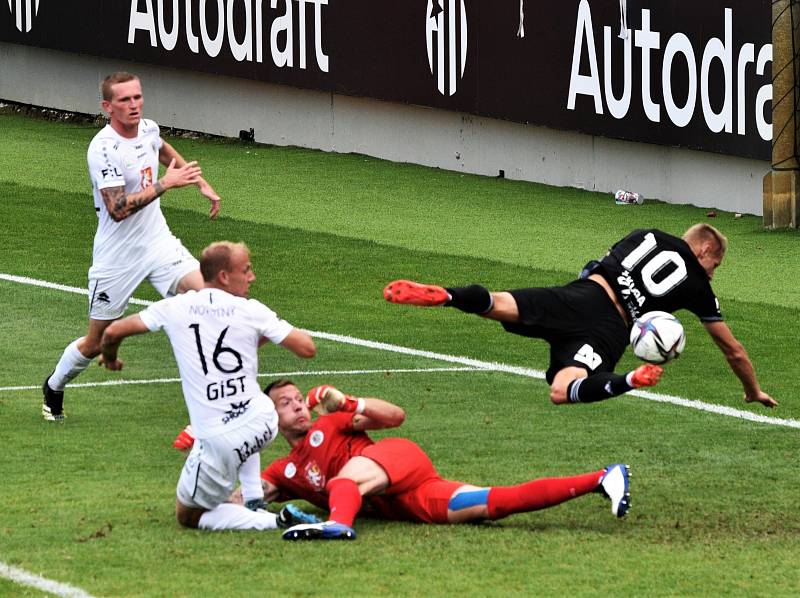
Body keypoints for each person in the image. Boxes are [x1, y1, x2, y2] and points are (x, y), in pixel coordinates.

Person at [384, 224, 776, 409]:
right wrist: (752, 389)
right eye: (716, 264)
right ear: (704, 248)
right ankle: (630, 380)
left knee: (501, 303)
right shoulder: (698, 285)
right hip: (611, 327)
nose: (712, 273)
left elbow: (595, 266)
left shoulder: (645, 234)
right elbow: (733, 350)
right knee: (563, 389)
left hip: (583, 293)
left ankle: (450, 295)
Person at [99, 241, 318, 532]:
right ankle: (253, 496)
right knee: (245, 421)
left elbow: (113, 331)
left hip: (221, 440)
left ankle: (275, 521)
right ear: (225, 277)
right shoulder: (252, 310)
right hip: (265, 421)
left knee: (188, 516)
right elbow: (307, 348)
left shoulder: (175, 307)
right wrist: (257, 335)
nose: (251, 277)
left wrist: (111, 358)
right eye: (246, 270)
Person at [42, 71, 222, 421]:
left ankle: (215, 400)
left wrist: (198, 181)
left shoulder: (149, 129)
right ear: (107, 106)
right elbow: (117, 209)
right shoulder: (103, 149)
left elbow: (162, 147)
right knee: (97, 341)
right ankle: (54, 386)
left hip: (158, 243)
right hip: (117, 257)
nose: (134, 105)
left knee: (210, 301)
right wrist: (166, 184)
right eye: (125, 100)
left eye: (137, 97)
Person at [249, 380, 632, 540]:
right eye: (286, 404)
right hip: (402, 500)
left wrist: (350, 403)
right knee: (490, 504)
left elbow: (394, 416)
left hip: (395, 460)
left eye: (299, 399)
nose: (299, 405)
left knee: (341, 483)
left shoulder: (331, 421)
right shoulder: (283, 471)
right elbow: (245, 499)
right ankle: (603, 478)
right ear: (270, 417)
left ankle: (338, 525)